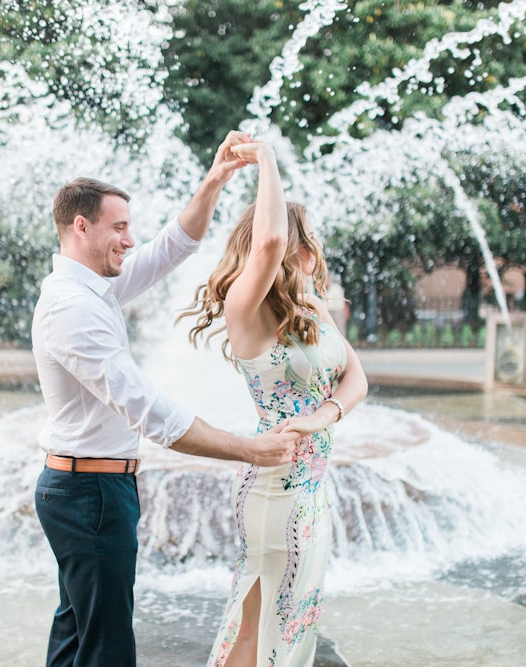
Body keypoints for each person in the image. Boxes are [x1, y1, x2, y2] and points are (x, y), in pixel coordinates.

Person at [30, 131, 300, 667]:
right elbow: (151, 412)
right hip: (92, 493)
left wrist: (217, 177)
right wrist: (249, 448)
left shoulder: (93, 288)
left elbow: (174, 246)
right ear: (80, 227)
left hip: (86, 486)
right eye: (120, 228)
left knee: (78, 633)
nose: (130, 241)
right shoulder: (73, 309)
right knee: (106, 645)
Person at [178, 140, 368, 666]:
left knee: (289, 618)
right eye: (307, 243)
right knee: (258, 621)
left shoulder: (310, 307)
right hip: (275, 490)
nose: (314, 254)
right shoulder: (246, 307)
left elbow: (356, 378)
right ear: (295, 247)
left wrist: (324, 415)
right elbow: (268, 244)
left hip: (313, 489)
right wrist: (266, 159)